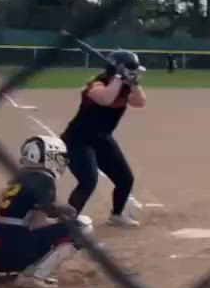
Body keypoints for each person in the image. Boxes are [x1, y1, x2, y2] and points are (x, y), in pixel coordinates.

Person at [0, 135, 92, 288]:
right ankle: (34, 276)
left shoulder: (18, 178)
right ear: (47, 156)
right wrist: (61, 221)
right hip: (11, 251)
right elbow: (39, 224)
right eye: (59, 157)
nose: (62, 162)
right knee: (82, 225)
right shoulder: (44, 180)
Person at [61, 49, 147, 227]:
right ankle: (67, 221)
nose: (135, 74)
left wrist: (133, 83)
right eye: (131, 71)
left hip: (102, 139)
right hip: (78, 139)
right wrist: (118, 77)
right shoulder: (96, 85)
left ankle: (117, 215)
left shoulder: (125, 87)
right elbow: (106, 99)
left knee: (125, 178)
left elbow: (139, 102)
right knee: (88, 181)